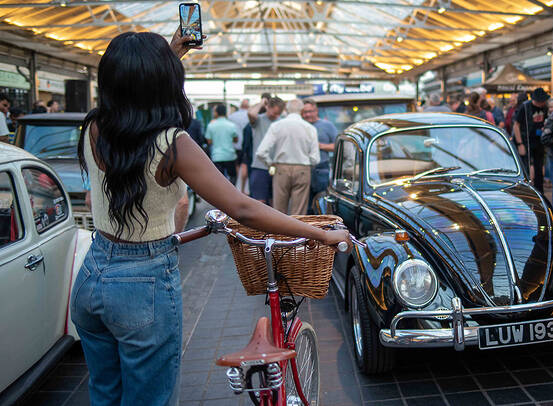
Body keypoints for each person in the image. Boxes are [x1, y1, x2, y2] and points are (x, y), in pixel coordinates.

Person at [71, 30, 350, 406]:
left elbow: (131, 91)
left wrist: (166, 56)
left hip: (91, 276)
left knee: (104, 394)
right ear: (165, 80)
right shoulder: (172, 144)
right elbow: (243, 208)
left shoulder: (94, 128)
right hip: (143, 286)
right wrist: (319, 235)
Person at [255, 99, 320, 215]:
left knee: (279, 210)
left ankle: (280, 232)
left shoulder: (276, 126)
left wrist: (271, 163)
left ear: (286, 110)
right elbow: (315, 158)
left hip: (281, 168)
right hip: (303, 169)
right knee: (299, 212)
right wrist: (306, 162)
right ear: (302, 110)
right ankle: (297, 233)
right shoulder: (310, 128)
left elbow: (261, 152)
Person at [248, 96, 285, 204]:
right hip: (260, 166)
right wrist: (261, 103)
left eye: (278, 113)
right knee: (260, 201)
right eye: (273, 112)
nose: (275, 116)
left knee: (274, 200)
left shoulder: (281, 121)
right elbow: (251, 114)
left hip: (274, 167)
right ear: (267, 107)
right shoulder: (259, 119)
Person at [302, 99, 337, 209]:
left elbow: (337, 146)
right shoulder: (300, 126)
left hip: (321, 169)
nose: (308, 114)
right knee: (304, 205)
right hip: (303, 169)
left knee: (322, 204)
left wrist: (320, 146)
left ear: (316, 111)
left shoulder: (327, 126)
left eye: (310, 111)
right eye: (305, 112)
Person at [513, 87, 549, 192]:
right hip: (525, 141)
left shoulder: (544, 107)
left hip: (539, 141)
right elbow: (516, 125)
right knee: (526, 168)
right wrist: (520, 144)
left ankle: (539, 191)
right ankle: (527, 191)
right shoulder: (525, 107)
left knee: (539, 169)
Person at [205, 104, 239, 185]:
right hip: (230, 155)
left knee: (219, 179)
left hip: (217, 156)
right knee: (232, 176)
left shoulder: (211, 125)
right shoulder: (231, 125)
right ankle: (232, 192)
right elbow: (236, 140)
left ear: (216, 113)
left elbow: (209, 141)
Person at [228, 98, 251, 190]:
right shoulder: (251, 116)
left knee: (237, 165)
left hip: (236, 145)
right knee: (245, 165)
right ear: (248, 106)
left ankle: (238, 187)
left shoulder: (232, 116)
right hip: (247, 145)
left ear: (240, 106)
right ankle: (243, 187)